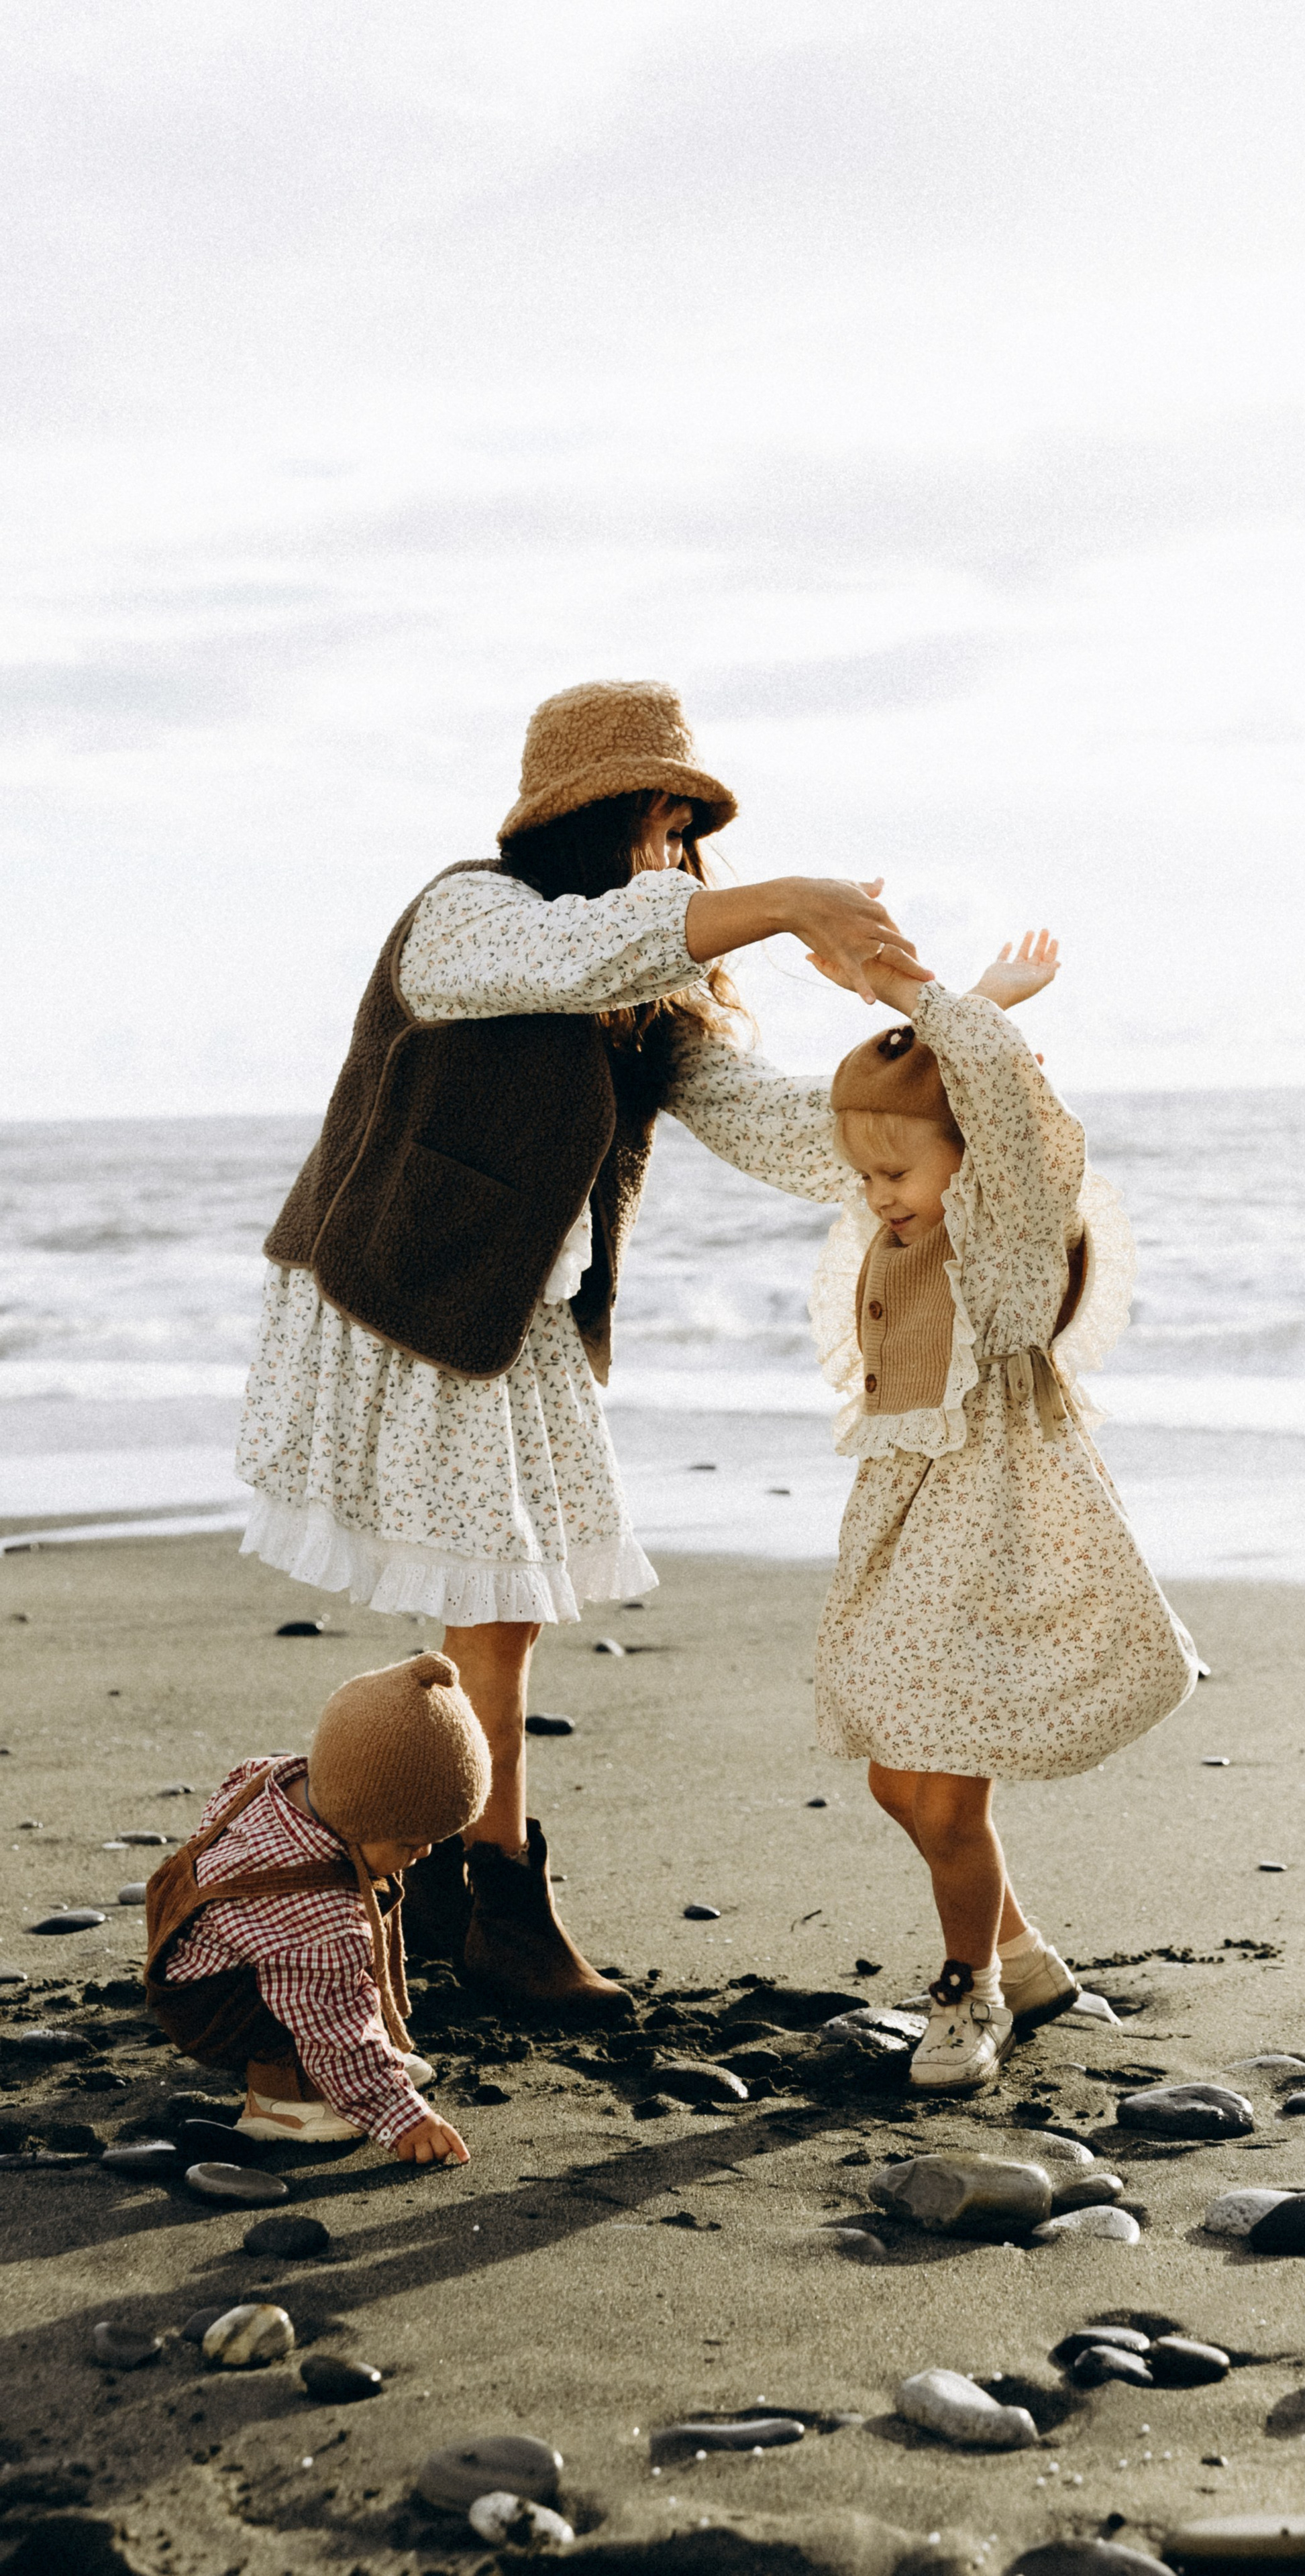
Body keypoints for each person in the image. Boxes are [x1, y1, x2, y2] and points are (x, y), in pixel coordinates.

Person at [237, 680, 919, 2016]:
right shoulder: (468, 915)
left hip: (519, 1320)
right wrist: (780, 897)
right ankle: (488, 1897)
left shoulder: (645, 987)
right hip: (411, 1293)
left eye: (685, 832)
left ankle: (446, 1885)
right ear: (588, 822)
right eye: (655, 824)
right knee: (496, 1609)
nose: (672, 855)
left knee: (507, 1612)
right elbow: (571, 955)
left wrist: (923, 1091)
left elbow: (768, 1119)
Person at [806, 934, 1200, 2092]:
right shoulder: (905, 1226)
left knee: (946, 1778)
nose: (878, 1200)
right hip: (909, 1516)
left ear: (972, 1162)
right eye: (867, 1178)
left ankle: (969, 1990)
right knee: (894, 1771)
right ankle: (1024, 1958)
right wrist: (930, 1022)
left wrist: (930, 997)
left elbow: (989, 1106)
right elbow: (929, 1100)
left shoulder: (1013, 1220)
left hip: (1002, 1523)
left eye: (897, 1176)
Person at [144, 1654, 486, 2163]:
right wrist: (402, 2115)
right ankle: (283, 2101)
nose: (425, 1854)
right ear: (359, 1815)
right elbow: (335, 2025)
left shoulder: (272, 1777)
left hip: (185, 1939)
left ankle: (354, 2064)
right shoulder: (320, 1919)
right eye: (412, 1841)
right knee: (328, 2005)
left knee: (330, 1979)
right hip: (213, 2007)